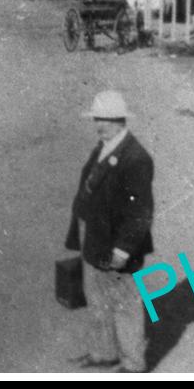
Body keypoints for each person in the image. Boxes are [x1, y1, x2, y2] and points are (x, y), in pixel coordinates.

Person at [64, 90, 155, 373]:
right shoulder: (105, 145)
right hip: (94, 235)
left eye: (105, 120)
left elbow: (141, 211)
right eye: (96, 119)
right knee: (97, 298)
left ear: (120, 120)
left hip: (116, 244)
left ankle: (133, 363)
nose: (99, 125)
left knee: (124, 303)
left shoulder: (136, 158)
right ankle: (104, 353)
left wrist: (122, 249)